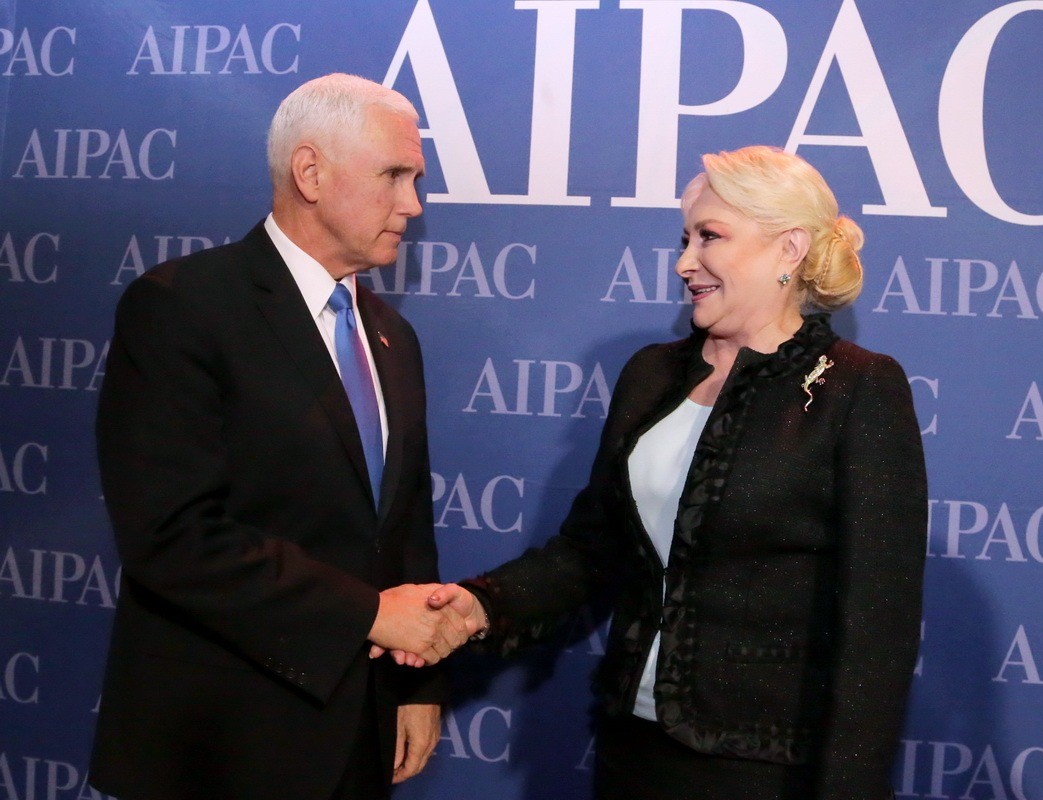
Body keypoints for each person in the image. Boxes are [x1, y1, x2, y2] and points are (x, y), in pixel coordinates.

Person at [424, 145, 928, 799]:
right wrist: (479, 605)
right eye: (685, 240)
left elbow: (877, 628)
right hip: (632, 751)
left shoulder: (858, 389)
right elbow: (592, 549)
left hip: (764, 771)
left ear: (789, 248)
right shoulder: (652, 373)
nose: (684, 263)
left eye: (709, 237)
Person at [91, 73, 473, 800]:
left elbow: (403, 528)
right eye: (394, 176)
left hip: (358, 733)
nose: (413, 205)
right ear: (310, 173)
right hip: (220, 740)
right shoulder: (183, 307)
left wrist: (418, 683)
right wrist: (370, 616)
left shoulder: (393, 336)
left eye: (416, 181)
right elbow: (171, 535)